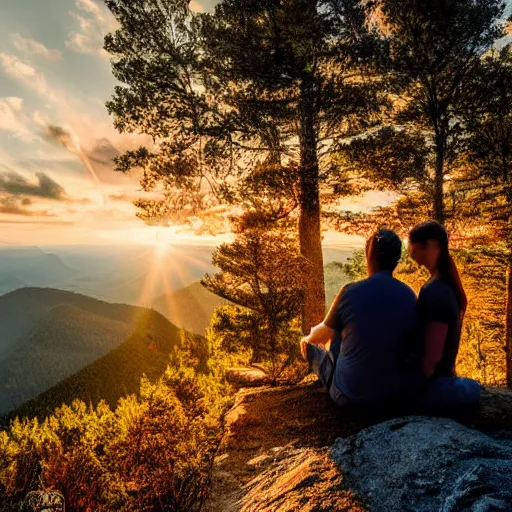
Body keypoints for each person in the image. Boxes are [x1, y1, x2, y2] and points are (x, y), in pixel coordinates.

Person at [300, 229, 418, 407]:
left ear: (369, 256)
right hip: (393, 397)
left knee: (319, 340)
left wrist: (306, 339)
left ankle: (344, 377)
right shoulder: (409, 295)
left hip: (349, 396)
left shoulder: (350, 292)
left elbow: (321, 335)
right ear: (396, 260)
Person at [407, 220, 481, 410]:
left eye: (411, 243)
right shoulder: (442, 285)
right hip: (440, 381)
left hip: (434, 386)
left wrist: (409, 391)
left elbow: (432, 358)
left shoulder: (437, 291)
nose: (408, 248)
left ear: (429, 245)